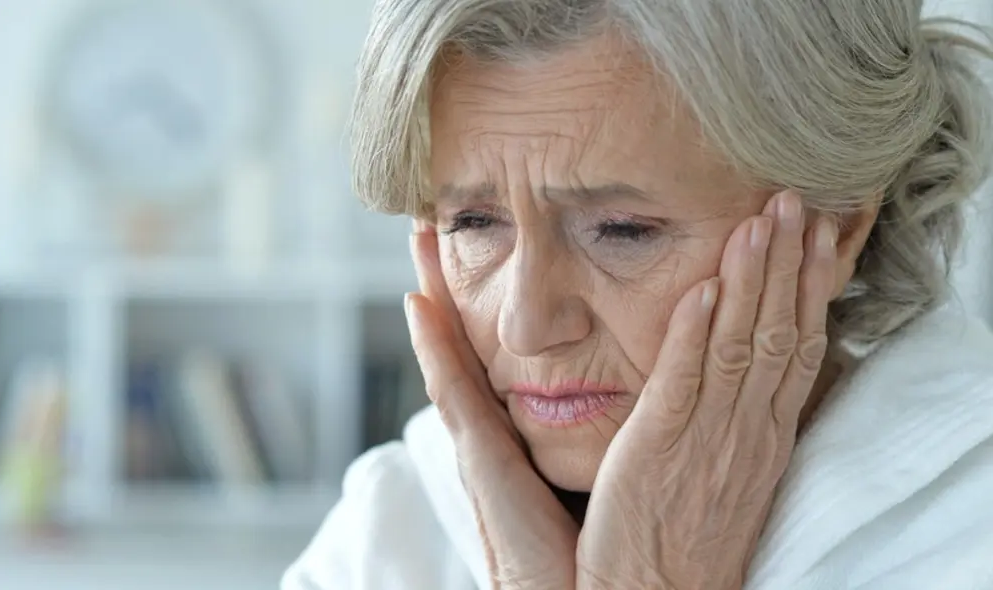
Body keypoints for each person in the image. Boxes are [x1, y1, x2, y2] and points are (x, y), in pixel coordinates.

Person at [284, 1, 993, 588]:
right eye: (474, 222)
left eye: (622, 231)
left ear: (835, 229)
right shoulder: (388, 528)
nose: (527, 325)